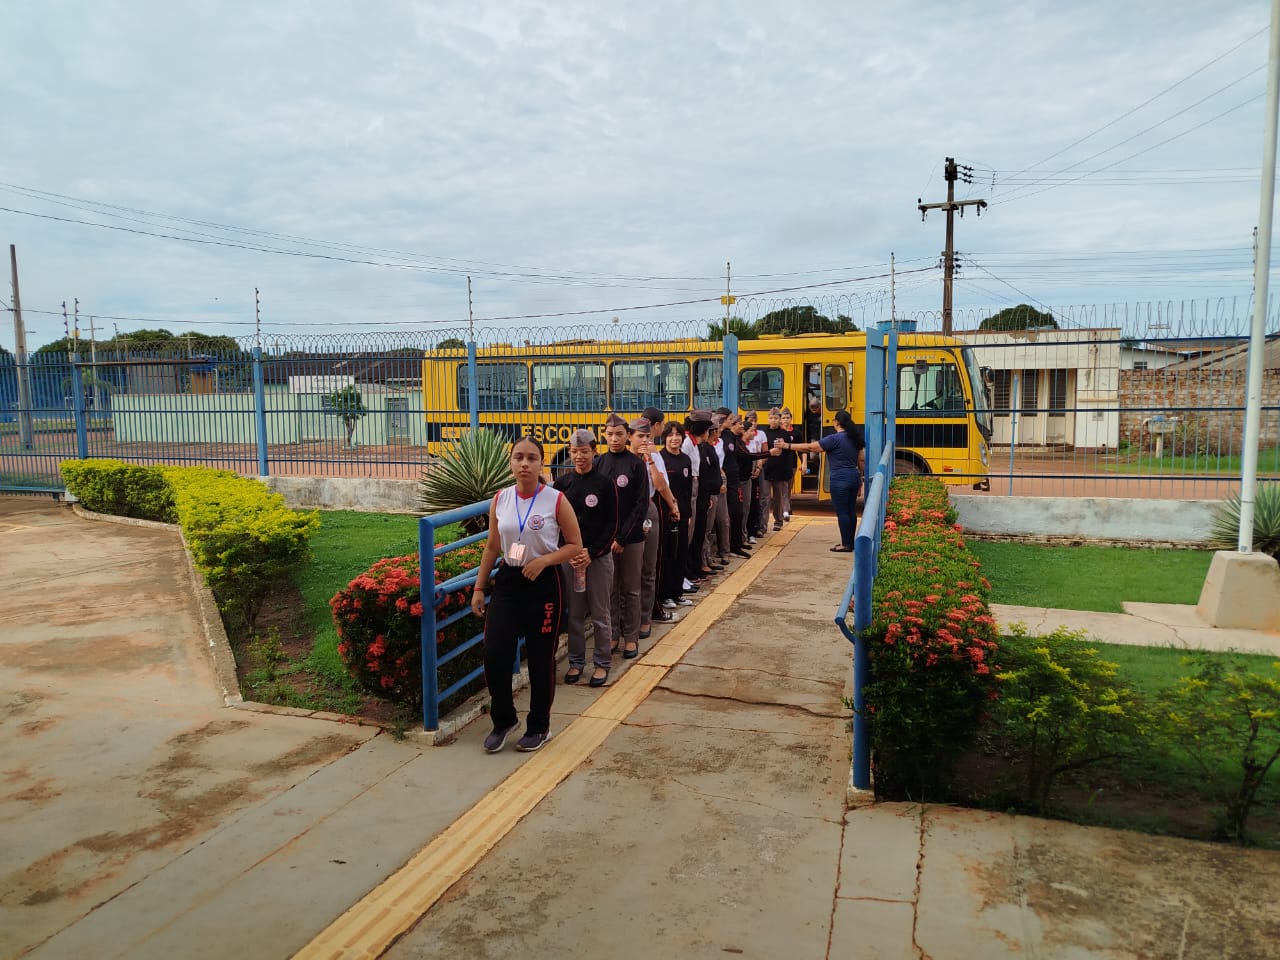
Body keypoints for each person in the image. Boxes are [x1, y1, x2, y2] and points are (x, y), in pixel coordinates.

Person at [470, 436, 585, 753]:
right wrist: (479, 587)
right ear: (510, 462)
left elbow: (575, 545)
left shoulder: (556, 500)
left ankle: (539, 726)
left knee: (540, 659)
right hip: (508, 579)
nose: (524, 463)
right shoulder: (501, 499)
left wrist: (545, 561)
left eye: (531, 458)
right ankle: (504, 720)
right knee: (495, 653)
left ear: (540, 463)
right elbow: (493, 546)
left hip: (544, 582)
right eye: (518, 457)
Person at [553, 429, 617, 688]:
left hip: (597, 558)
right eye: (575, 451)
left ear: (594, 452)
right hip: (570, 559)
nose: (579, 456)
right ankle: (576, 662)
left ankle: (602, 663)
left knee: (601, 612)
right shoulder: (562, 485)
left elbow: (613, 523)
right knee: (575, 614)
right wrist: (567, 552)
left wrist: (592, 552)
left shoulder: (604, 484)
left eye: (584, 451)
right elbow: (553, 523)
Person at [594, 414, 648, 660]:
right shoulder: (599, 463)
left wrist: (623, 537)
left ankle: (631, 637)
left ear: (627, 435)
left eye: (619, 434)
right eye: (609, 434)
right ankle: (612, 634)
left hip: (631, 538)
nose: (614, 439)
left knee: (631, 589)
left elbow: (640, 504)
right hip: (605, 539)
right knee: (609, 590)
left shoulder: (636, 464)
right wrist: (606, 537)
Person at [778, 409, 865, 553]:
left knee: (842, 512)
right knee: (851, 511)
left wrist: (787, 446)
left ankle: (845, 544)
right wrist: (860, 478)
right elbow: (861, 460)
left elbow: (811, 447)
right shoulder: (855, 439)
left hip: (839, 479)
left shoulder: (834, 439)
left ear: (836, 422)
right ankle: (850, 542)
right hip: (853, 477)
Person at [657, 421, 694, 611]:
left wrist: (687, 514)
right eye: (670, 435)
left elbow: (687, 490)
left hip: (683, 513)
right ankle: (665, 595)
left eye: (677, 434)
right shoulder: (660, 459)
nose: (674, 438)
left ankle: (678, 592)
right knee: (668, 555)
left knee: (681, 554)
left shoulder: (686, 459)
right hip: (667, 514)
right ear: (664, 438)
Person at [759, 407, 793, 532]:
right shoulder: (763, 433)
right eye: (771, 418)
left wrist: (787, 472)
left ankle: (778, 521)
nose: (773, 421)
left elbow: (789, 455)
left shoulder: (785, 434)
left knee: (778, 498)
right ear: (768, 419)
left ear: (780, 420)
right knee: (765, 498)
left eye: (776, 418)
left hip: (780, 471)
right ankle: (763, 524)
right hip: (766, 470)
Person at [776, 407, 800, 524]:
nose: (786, 420)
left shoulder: (795, 433)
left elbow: (801, 449)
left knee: (788, 487)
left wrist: (804, 463)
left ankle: (786, 506)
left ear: (791, 419)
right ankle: (784, 510)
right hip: (779, 464)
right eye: (784, 418)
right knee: (782, 487)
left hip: (792, 464)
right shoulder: (778, 433)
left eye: (788, 418)